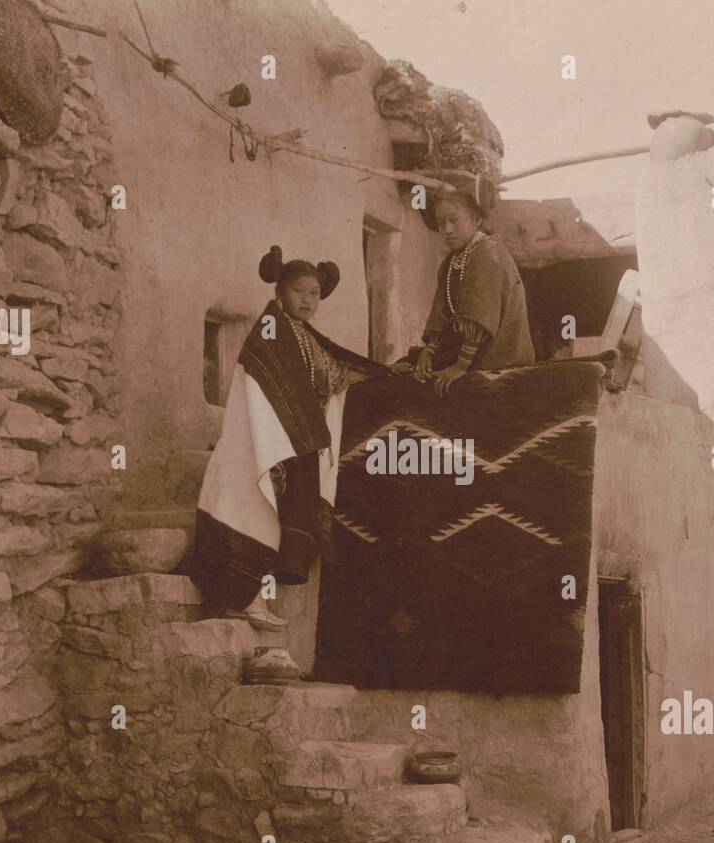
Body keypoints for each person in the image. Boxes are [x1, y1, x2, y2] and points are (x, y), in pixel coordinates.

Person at [188, 246, 389, 629]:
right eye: (299, 291)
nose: (307, 300)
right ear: (281, 291)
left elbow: (330, 374)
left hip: (283, 444)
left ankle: (251, 603)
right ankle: (241, 601)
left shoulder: (303, 336)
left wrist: (379, 377)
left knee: (271, 523)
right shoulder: (270, 330)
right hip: (257, 441)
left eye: (314, 293)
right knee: (251, 515)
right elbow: (267, 383)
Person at [392, 184, 536, 395]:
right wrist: (429, 352)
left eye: (454, 220)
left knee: (417, 384)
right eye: (441, 223)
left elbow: (479, 318)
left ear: (475, 220)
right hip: (466, 348)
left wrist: (459, 367)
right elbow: (441, 317)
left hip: (499, 350)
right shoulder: (451, 261)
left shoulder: (487, 252)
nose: (447, 229)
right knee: (406, 366)